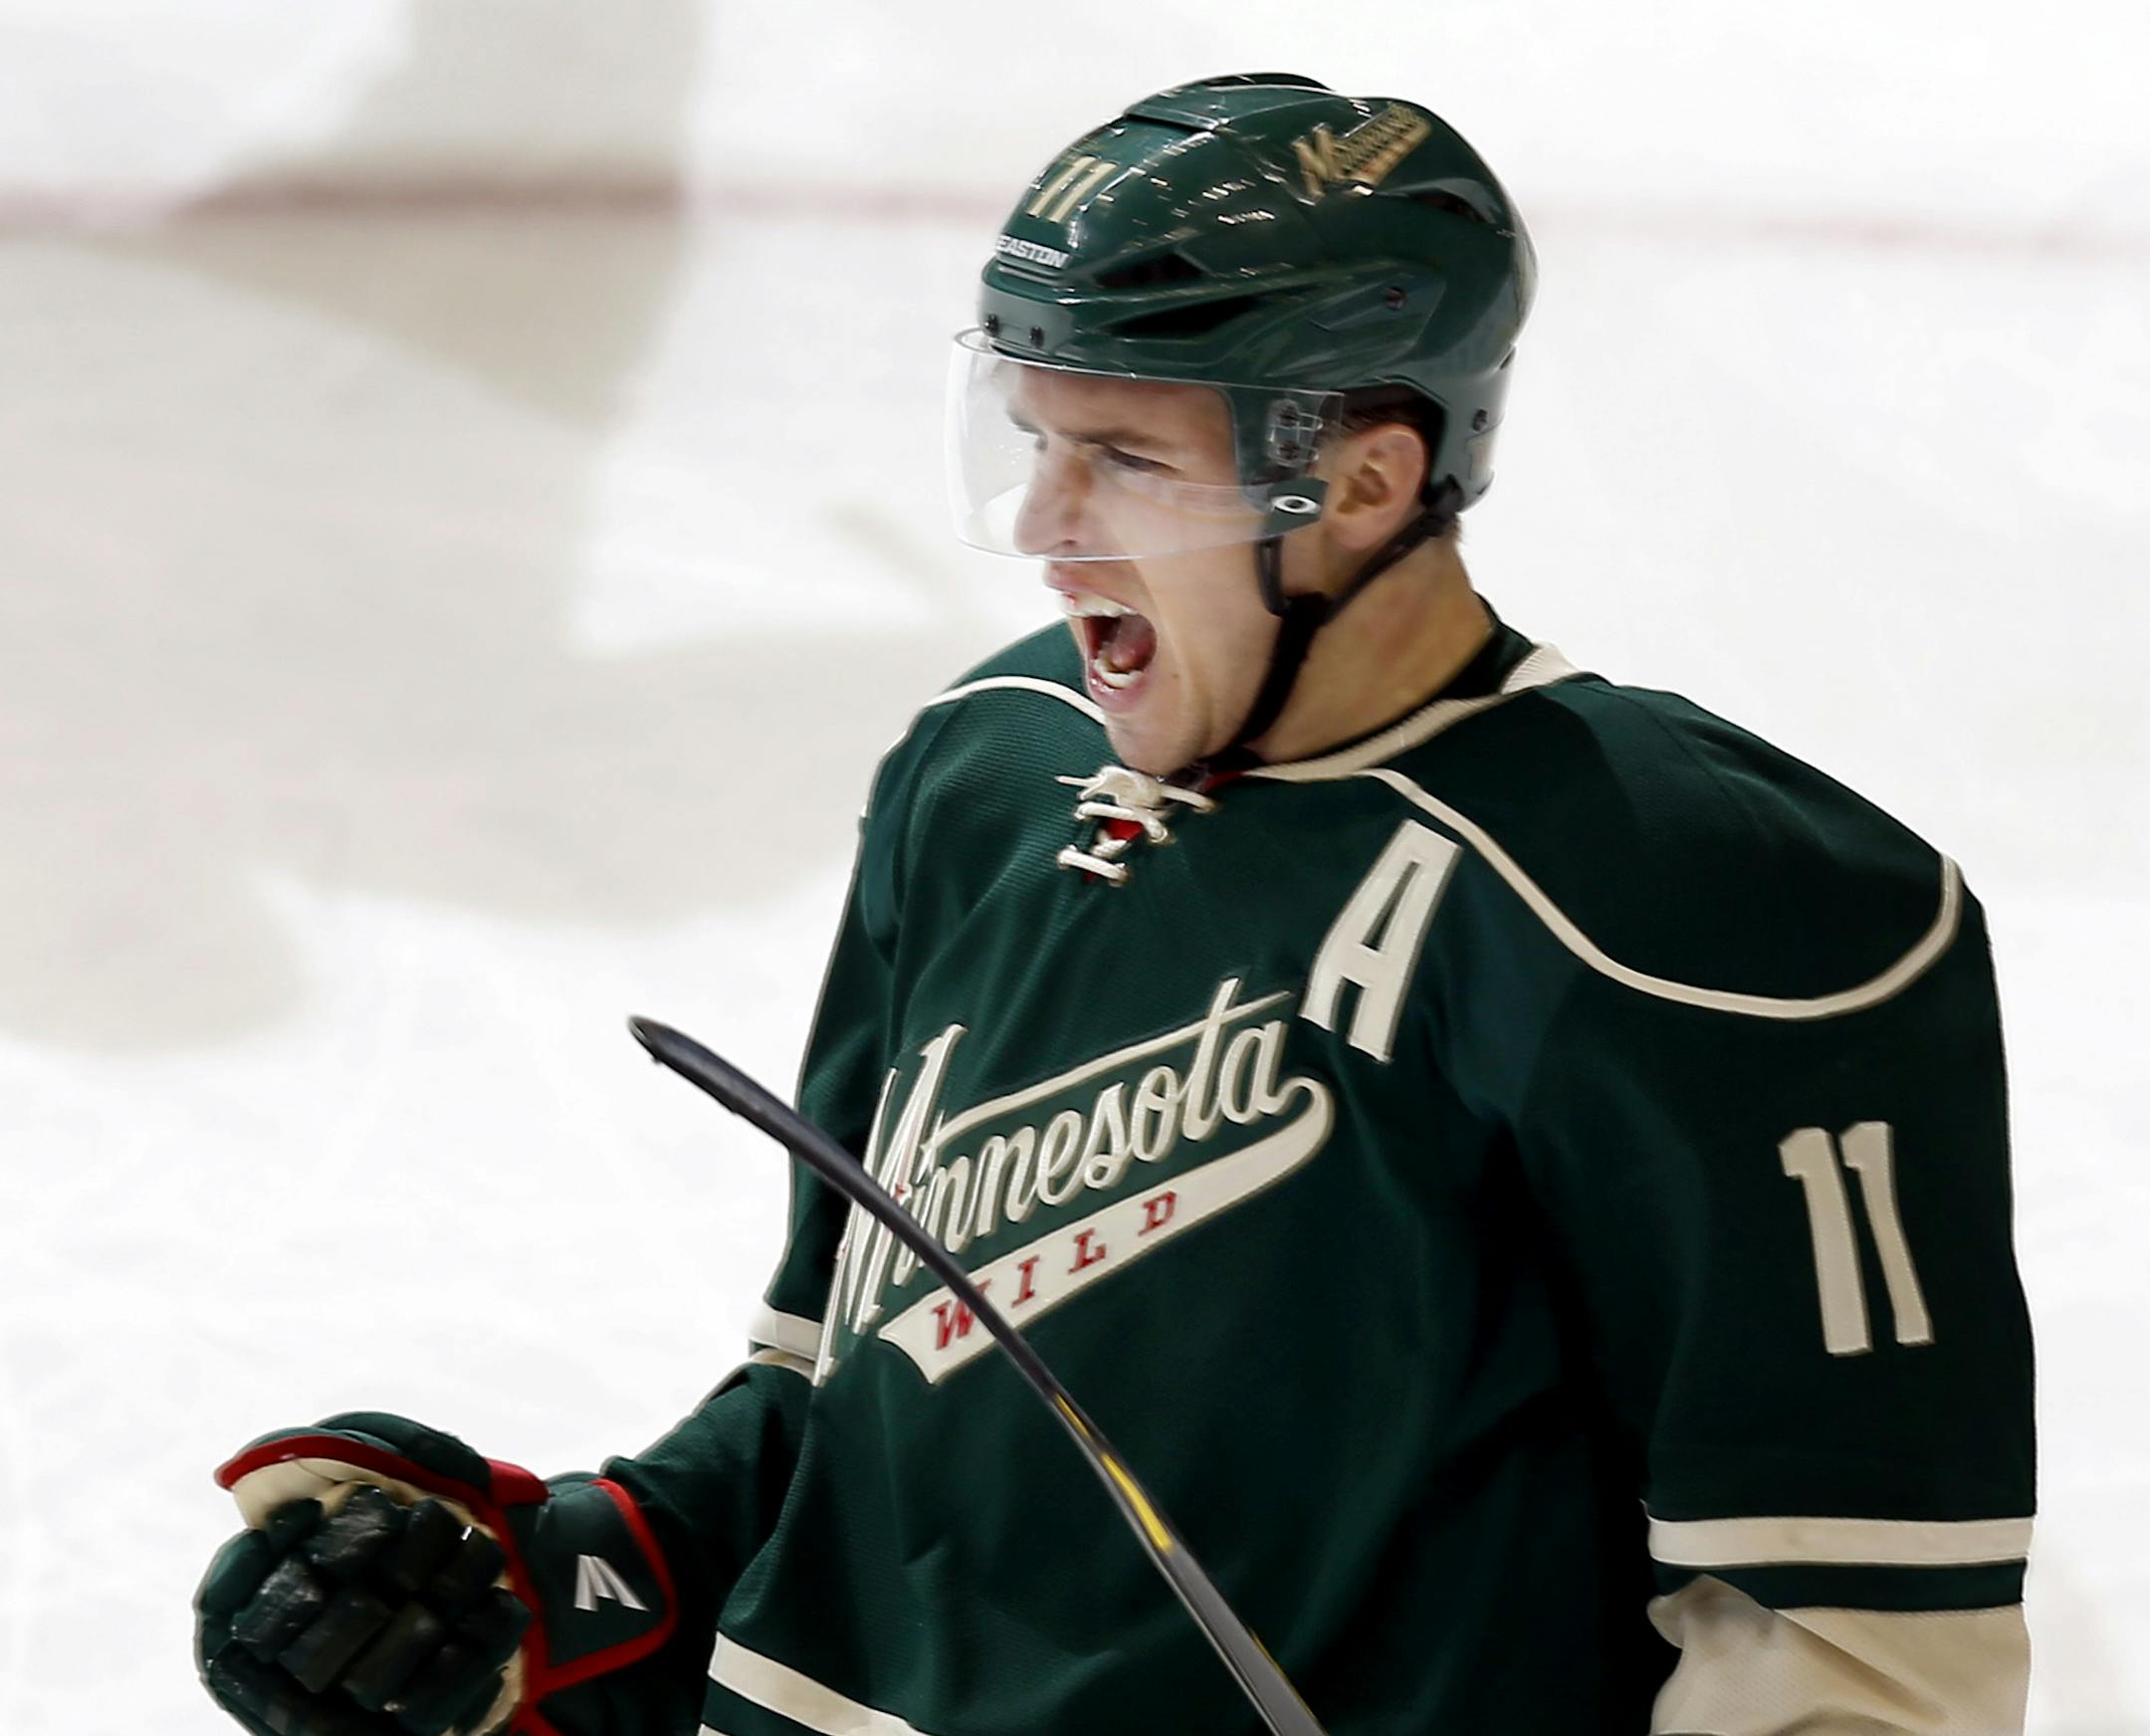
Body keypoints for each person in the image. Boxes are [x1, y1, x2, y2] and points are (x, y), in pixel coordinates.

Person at [194, 74, 2037, 1736]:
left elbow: (1860, 1652)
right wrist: (568, 1584)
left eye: (1130, 459)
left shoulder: (1688, 913)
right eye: (1031, 437)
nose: (1045, 525)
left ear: (1364, 480)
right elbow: (865, 1407)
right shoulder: (988, 767)